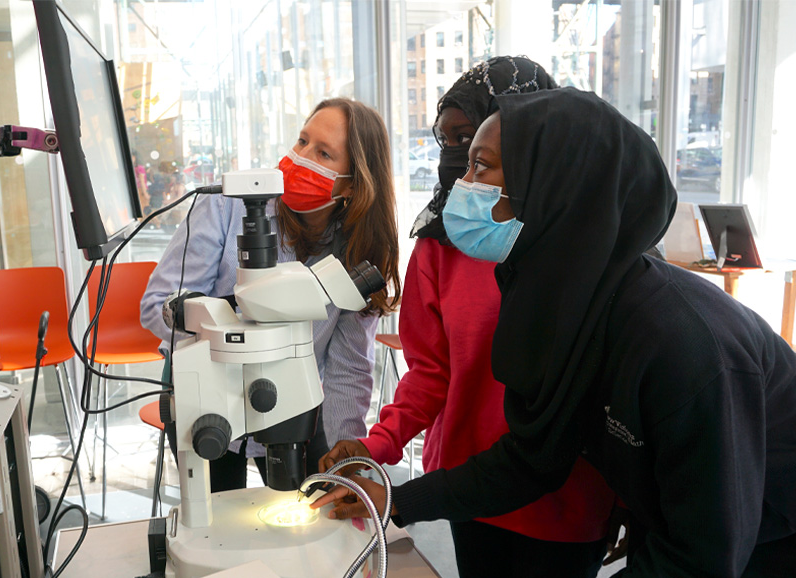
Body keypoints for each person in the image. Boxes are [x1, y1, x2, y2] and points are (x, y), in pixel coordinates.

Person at [313, 87, 796, 577]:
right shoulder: (557, 302)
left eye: (481, 167)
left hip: (768, 542)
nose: (463, 185)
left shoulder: (686, 346)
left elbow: (704, 557)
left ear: (553, 183)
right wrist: (395, 498)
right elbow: (530, 460)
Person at [319, 57, 617, 578]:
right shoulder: (444, 243)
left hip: (564, 492)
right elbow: (430, 372)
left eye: (474, 145)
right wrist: (376, 444)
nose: (457, 160)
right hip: (464, 486)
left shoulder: (583, 244)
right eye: (450, 140)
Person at [141, 97, 401, 492]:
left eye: (324, 153)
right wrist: (223, 326)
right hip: (208, 401)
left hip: (295, 407)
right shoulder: (225, 207)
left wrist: (349, 454)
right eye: (302, 141)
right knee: (218, 532)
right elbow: (155, 306)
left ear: (352, 183)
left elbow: (349, 367)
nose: (301, 158)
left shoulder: (356, 252)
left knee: (307, 520)